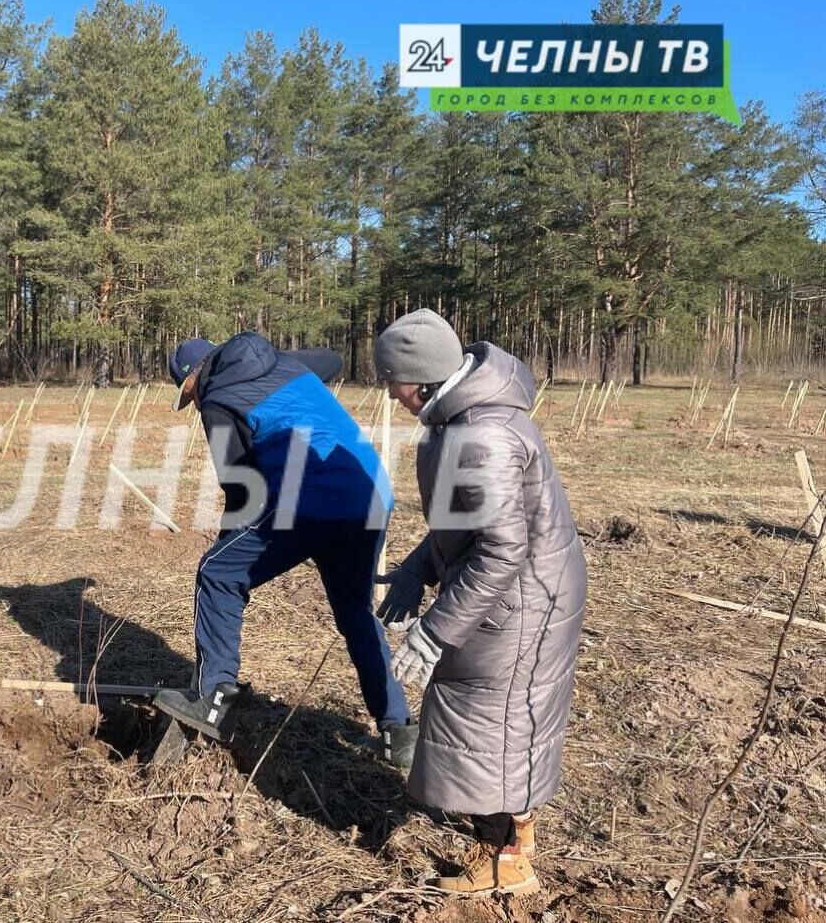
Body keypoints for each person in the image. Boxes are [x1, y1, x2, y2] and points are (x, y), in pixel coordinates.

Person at [375, 309, 587, 896]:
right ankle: (514, 834)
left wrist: (436, 632)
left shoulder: (481, 434)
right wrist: (417, 571)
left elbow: (500, 550)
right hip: (511, 594)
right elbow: (461, 523)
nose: (391, 395)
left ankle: (507, 862)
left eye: (391, 381)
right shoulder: (463, 419)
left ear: (416, 377)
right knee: (494, 716)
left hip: (523, 599)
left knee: (490, 719)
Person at [154, 332, 416, 767]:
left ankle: (213, 699)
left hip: (310, 495)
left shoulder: (218, 397)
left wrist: (227, 546)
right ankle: (399, 729)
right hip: (368, 489)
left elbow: (241, 488)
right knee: (355, 612)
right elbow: (332, 356)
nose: (195, 405)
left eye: (190, 396)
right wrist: (291, 365)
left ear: (194, 379)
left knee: (217, 573)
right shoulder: (286, 364)